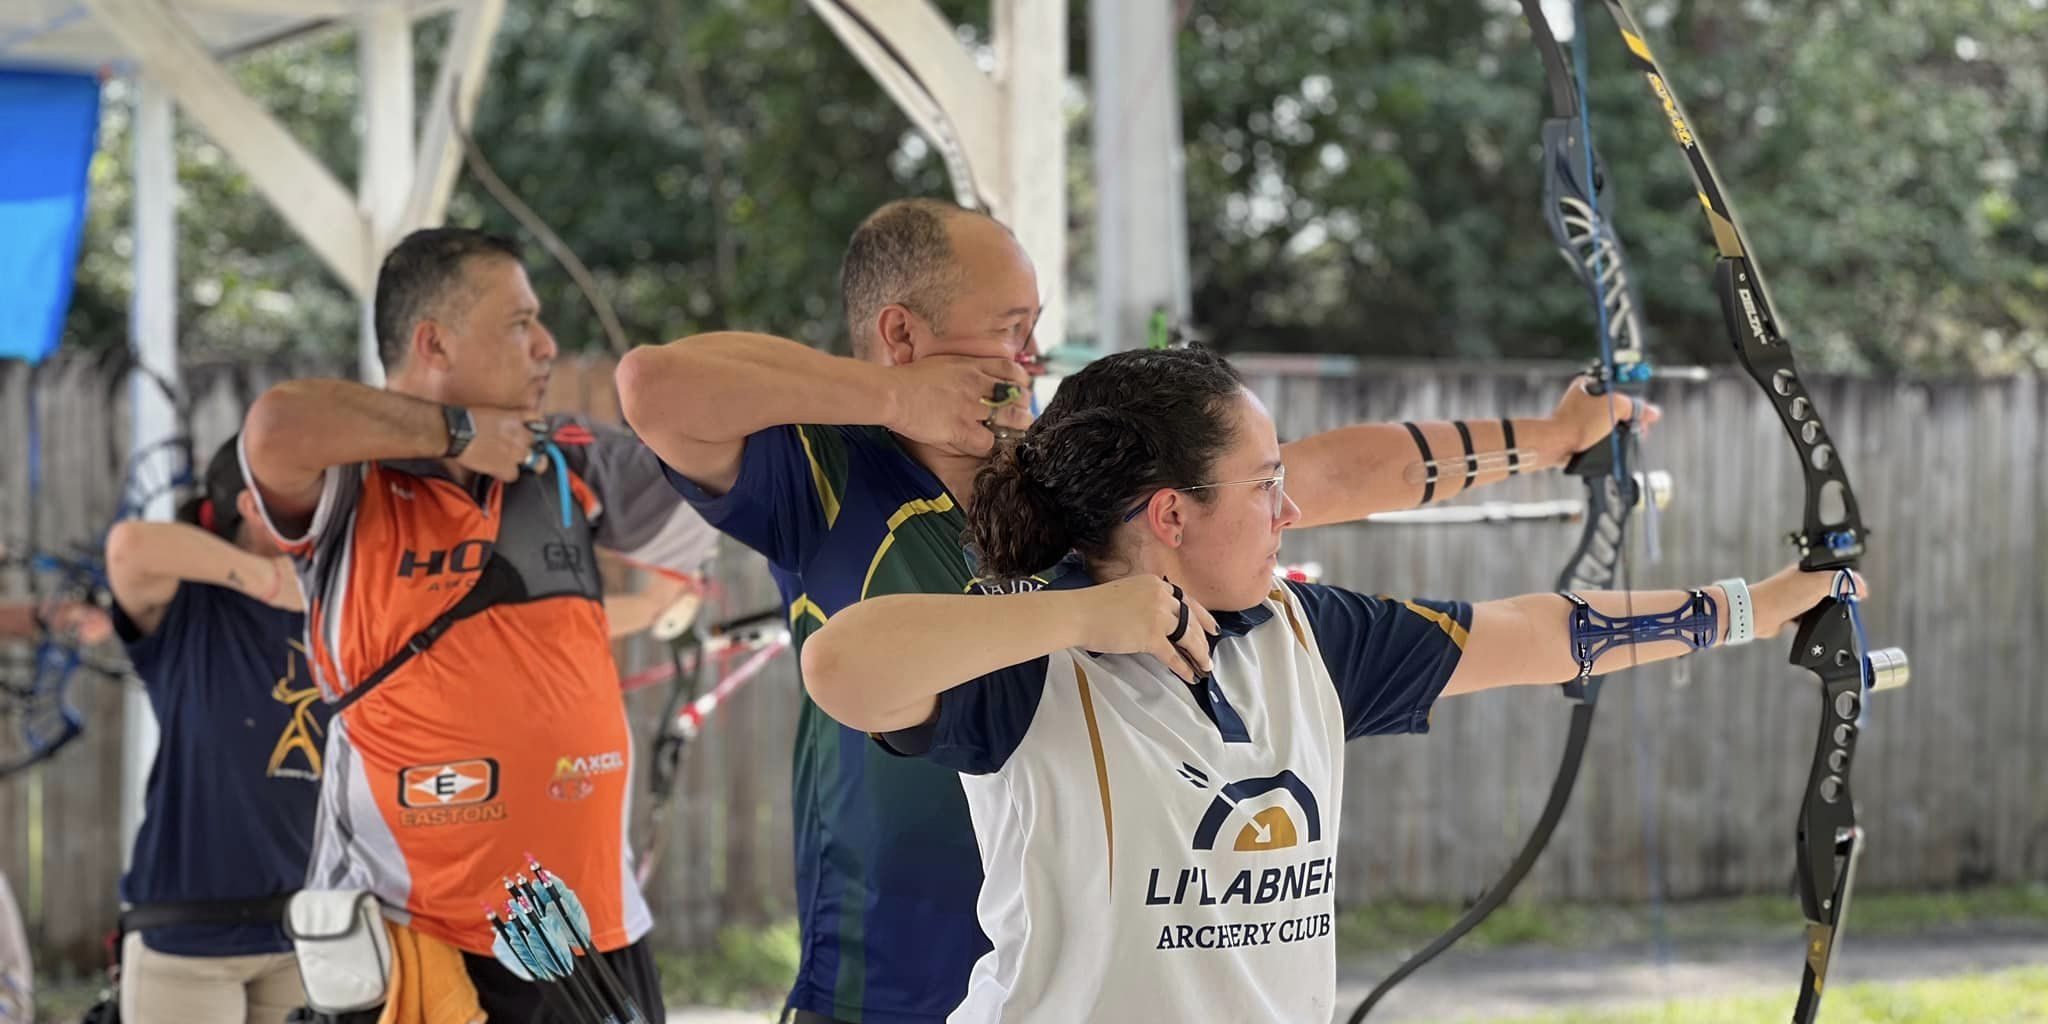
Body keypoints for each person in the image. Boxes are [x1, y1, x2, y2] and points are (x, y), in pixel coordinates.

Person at [615, 196, 1661, 1024]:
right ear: (902, 334)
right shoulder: (826, 476)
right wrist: (893, 401)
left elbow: (1322, 474)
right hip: (889, 975)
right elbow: (651, 384)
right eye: (1010, 333)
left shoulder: (1064, 482)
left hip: (1079, 972)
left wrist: (1546, 438)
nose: (1030, 361)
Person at [797, 345, 1859, 1023]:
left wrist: (1757, 606)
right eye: (1265, 487)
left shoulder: (1310, 635)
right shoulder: (1026, 658)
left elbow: (1540, 634)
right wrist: (1080, 615)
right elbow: (838, 665)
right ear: (1168, 516)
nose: (1289, 510)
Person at [239, 227, 720, 1023]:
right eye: (518, 323)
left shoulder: (563, 457)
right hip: (419, 936)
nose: (546, 345)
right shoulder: (350, 480)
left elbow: (718, 481)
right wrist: (457, 433)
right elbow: (275, 426)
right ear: (433, 341)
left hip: (591, 931)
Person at [101, 437, 321, 1024]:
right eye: (312, 481)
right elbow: (130, 546)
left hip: (307, 929)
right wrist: (270, 580)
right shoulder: (191, 603)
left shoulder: (341, 601)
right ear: (252, 505)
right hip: (188, 934)